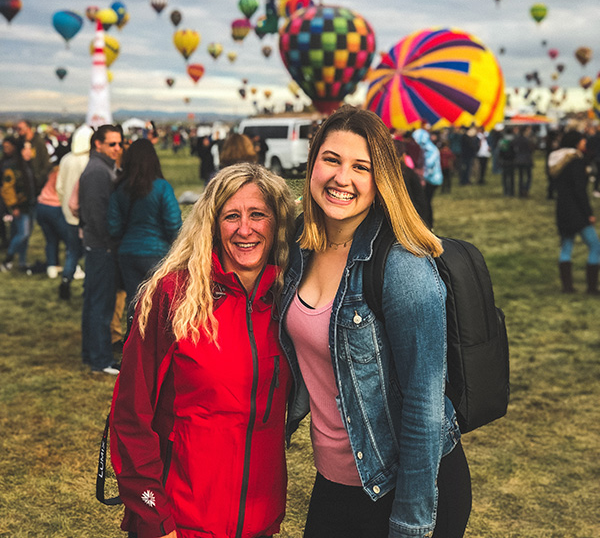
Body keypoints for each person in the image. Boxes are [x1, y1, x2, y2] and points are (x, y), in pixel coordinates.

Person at [279, 106, 471, 538]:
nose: (341, 178)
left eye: (360, 167)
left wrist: (412, 523)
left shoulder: (401, 266)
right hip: (336, 482)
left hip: (406, 486)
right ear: (312, 165)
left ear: (380, 178)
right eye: (331, 160)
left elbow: (425, 404)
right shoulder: (299, 245)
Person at [110, 163, 295, 538]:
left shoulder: (291, 304)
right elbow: (131, 413)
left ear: (277, 225)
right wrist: (154, 517)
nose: (245, 229)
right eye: (232, 216)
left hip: (259, 521)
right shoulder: (172, 296)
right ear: (212, 224)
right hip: (180, 522)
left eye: (258, 215)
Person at [108, 139, 182, 311]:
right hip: (158, 253)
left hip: (127, 253)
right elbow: (173, 224)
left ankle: (133, 337)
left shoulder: (120, 189)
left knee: (134, 305)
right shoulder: (162, 187)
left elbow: (114, 227)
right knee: (159, 306)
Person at [78, 124, 123, 375]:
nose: (117, 148)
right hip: (101, 246)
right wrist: (109, 243)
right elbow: (97, 213)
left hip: (98, 244)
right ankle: (100, 359)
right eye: (112, 144)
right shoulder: (98, 171)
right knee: (101, 303)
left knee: (95, 301)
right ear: (98, 144)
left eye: (119, 144)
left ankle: (92, 354)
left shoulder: (104, 167)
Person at [548, 129, 600, 295]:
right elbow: (579, 190)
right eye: (582, 140)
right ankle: (592, 287)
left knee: (566, 247)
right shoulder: (576, 161)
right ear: (576, 142)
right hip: (576, 209)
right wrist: (589, 212)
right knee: (595, 245)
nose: (584, 143)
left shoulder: (555, 160)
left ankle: (567, 287)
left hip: (562, 207)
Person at [56, 124, 93, 300]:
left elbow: (59, 187)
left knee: (72, 251)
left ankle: (66, 280)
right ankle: (89, 287)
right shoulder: (90, 161)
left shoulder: (66, 159)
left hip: (69, 215)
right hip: (86, 216)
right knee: (89, 252)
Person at [0, 136, 36, 273]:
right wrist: (14, 206)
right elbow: (8, 188)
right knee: (23, 234)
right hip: (21, 205)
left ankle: (22, 261)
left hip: (30, 203)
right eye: (26, 149)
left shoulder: (26, 165)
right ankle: (8, 259)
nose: (29, 152)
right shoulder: (12, 167)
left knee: (23, 234)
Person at [35, 147, 70, 279]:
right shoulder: (63, 171)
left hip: (41, 205)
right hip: (54, 206)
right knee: (68, 240)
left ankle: (52, 267)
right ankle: (71, 268)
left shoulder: (53, 171)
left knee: (51, 239)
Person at [512, 126, 536, 198]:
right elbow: (532, 148)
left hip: (519, 159)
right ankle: (525, 190)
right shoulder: (527, 140)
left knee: (521, 176)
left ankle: (521, 191)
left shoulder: (517, 139)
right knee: (528, 176)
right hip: (526, 160)